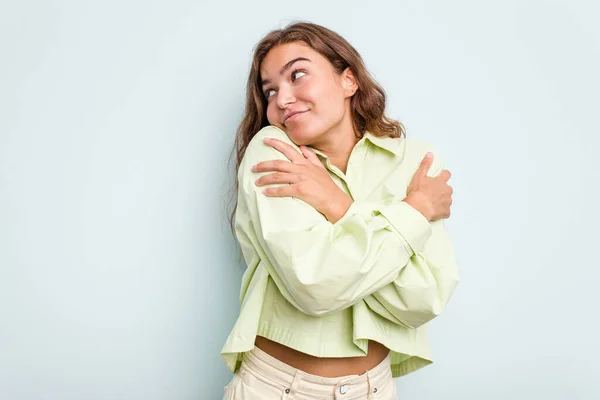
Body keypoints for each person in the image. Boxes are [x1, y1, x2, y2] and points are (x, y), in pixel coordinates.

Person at [221, 21, 459, 399]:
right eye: (270, 91)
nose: (282, 99)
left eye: (297, 75)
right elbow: (314, 286)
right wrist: (414, 210)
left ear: (348, 81)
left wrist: (338, 204)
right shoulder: (273, 151)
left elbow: (422, 299)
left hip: (375, 389)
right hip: (278, 387)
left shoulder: (414, 160)